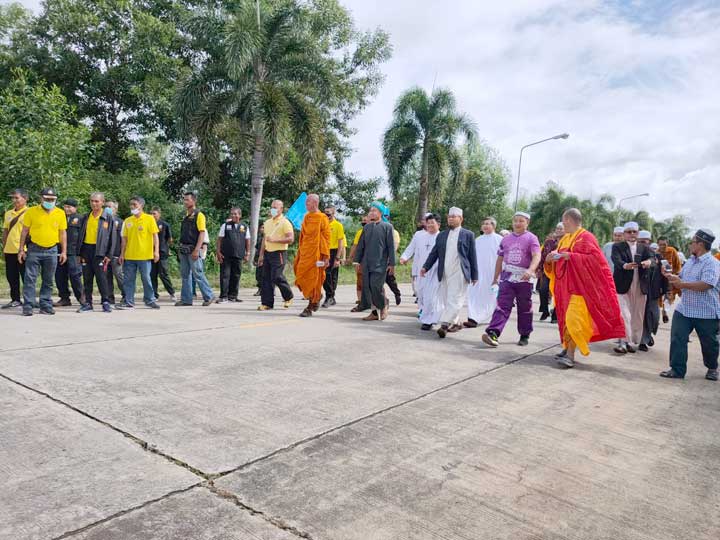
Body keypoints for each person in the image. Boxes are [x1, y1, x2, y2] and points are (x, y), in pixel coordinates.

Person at [544, 208, 625, 368]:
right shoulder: (565, 239)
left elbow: (596, 260)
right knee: (565, 320)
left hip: (580, 288)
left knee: (573, 320)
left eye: (564, 221)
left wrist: (571, 256)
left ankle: (570, 356)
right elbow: (558, 261)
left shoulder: (586, 237)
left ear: (568, 220)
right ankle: (567, 348)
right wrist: (549, 260)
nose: (562, 225)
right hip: (564, 287)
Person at [660, 229, 720, 381]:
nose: (690, 245)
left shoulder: (712, 263)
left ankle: (712, 368)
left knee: (709, 344)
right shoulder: (690, 262)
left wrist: (682, 284)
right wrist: (670, 276)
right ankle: (677, 370)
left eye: (692, 242)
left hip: (706, 312)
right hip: (684, 310)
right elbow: (680, 277)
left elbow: (707, 284)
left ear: (700, 244)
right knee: (678, 338)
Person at [482, 211, 541, 347]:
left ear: (527, 223)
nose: (517, 223)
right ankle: (493, 333)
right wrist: (495, 277)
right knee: (502, 306)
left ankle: (525, 334)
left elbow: (536, 256)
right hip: (507, 277)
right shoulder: (506, 239)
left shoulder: (532, 238)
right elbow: (500, 259)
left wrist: (530, 270)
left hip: (524, 278)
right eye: (515, 221)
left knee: (524, 307)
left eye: (521, 221)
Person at [421, 207, 478, 338]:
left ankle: (445, 325)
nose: (451, 219)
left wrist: (474, 275)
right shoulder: (442, 235)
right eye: (449, 217)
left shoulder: (468, 234)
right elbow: (434, 253)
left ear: (461, 219)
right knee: (447, 300)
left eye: (454, 216)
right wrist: (425, 267)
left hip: (460, 272)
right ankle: (456, 323)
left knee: (456, 299)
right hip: (444, 272)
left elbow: (472, 256)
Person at [17, 188, 67, 316]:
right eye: (47, 199)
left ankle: (45, 304)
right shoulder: (31, 212)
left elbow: (62, 233)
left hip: (52, 250)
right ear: (41, 198)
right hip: (34, 249)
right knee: (30, 279)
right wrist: (21, 250)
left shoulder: (60, 213)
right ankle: (28, 305)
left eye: (52, 199)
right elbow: (24, 231)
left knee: (48, 279)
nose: (49, 202)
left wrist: (64, 252)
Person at [611, 221, 652, 354]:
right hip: (623, 285)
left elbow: (654, 259)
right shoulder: (618, 247)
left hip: (640, 285)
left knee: (637, 315)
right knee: (624, 315)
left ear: (638, 233)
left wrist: (648, 262)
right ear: (624, 234)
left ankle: (630, 341)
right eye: (629, 232)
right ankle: (623, 342)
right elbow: (616, 259)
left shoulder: (643, 248)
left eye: (634, 232)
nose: (632, 234)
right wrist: (625, 265)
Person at [353, 202, 396, 321]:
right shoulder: (367, 227)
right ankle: (374, 313)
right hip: (366, 263)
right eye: (370, 210)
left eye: (374, 210)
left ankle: (384, 305)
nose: (371, 213)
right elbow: (360, 245)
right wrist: (357, 261)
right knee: (367, 287)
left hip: (380, 264)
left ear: (380, 213)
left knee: (376, 286)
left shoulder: (387, 227)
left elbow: (391, 247)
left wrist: (392, 264)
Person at [118, 196, 160, 309]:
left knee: (146, 279)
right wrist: (122, 254)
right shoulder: (128, 220)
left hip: (144, 256)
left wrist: (156, 252)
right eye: (131, 204)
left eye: (135, 204)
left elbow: (155, 236)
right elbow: (124, 239)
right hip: (130, 256)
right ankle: (129, 301)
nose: (132, 207)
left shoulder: (149, 219)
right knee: (128, 280)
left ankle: (150, 300)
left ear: (141, 205)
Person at [77, 192, 115, 313]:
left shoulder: (108, 218)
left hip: (100, 251)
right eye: (92, 201)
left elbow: (112, 237)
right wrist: (79, 253)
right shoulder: (85, 217)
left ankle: (105, 302)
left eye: (97, 201)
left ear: (102, 202)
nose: (94, 203)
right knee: (87, 278)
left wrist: (109, 255)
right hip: (86, 250)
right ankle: (88, 303)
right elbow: (80, 236)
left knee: (101, 278)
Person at [293, 194, 330, 317]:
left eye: (308, 202)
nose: (306, 204)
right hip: (305, 252)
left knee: (314, 279)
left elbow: (326, 238)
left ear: (315, 203)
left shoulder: (322, 218)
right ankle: (316, 297)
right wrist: (300, 251)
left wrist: (326, 256)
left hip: (317, 254)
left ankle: (311, 304)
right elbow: (303, 236)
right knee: (300, 274)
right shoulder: (306, 217)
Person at [175, 192, 214, 306]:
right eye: (184, 200)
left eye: (187, 200)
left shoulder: (199, 215)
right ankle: (186, 299)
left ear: (194, 201)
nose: (185, 202)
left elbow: (202, 233)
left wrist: (197, 250)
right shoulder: (186, 216)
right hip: (184, 249)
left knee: (198, 274)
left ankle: (209, 296)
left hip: (193, 249)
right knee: (185, 275)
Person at [465, 217, 503, 328]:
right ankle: (472, 317)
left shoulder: (500, 239)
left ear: (494, 226)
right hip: (478, 272)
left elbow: (503, 257)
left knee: (490, 296)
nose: (485, 226)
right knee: (473, 294)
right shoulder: (478, 240)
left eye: (488, 223)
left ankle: (486, 316)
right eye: (484, 224)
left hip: (492, 273)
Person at [258, 200, 295, 310]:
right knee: (266, 278)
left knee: (277, 276)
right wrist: (261, 255)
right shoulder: (267, 222)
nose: (273, 209)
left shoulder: (285, 222)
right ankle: (267, 303)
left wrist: (275, 240)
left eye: (275, 207)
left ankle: (288, 297)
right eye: (272, 207)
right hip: (267, 253)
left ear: (281, 209)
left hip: (279, 253)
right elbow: (264, 239)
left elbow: (291, 239)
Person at [405, 213, 440, 330]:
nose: (429, 225)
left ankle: (428, 321)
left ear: (438, 224)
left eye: (432, 223)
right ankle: (426, 314)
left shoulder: (442, 237)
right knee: (421, 294)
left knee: (431, 296)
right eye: (428, 222)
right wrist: (404, 257)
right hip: (421, 271)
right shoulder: (420, 236)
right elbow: (411, 247)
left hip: (435, 272)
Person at [637, 230, 667, 351]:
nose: (643, 244)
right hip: (639, 291)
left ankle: (648, 335)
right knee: (642, 317)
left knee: (653, 316)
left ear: (649, 242)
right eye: (640, 242)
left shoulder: (659, 258)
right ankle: (643, 340)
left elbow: (665, 275)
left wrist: (665, 290)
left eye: (645, 242)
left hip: (654, 292)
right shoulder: (635, 256)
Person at [53, 198, 84, 307]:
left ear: (75, 208)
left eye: (69, 207)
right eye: (65, 206)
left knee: (75, 275)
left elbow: (83, 236)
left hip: (73, 252)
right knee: (59, 276)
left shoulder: (80, 219)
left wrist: (81, 253)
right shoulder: (59, 217)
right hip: (59, 250)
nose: (67, 209)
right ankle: (64, 298)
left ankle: (81, 298)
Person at [216, 207, 250, 303]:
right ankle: (224, 296)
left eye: (235, 214)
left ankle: (233, 296)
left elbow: (247, 240)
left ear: (240, 215)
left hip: (238, 255)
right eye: (232, 214)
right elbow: (219, 239)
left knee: (236, 275)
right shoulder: (225, 225)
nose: (233, 215)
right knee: (225, 275)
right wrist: (218, 252)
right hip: (226, 255)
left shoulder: (244, 226)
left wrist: (247, 253)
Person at [2, 188, 28, 309]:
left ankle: (29, 300)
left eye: (17, 198)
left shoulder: (29, 212)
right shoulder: (8, 213)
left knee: (26, 276)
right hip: (9, 250)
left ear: (25, 198)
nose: (14, 200)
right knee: (11, 276)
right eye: (13, 198)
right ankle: (15, 299)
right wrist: (4, 248)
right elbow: (5, 231)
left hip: (24, 250)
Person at [537, 222, 564, 322]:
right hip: (548, 270)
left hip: (561, 272)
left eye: (561, 229)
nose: (558, 230)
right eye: (557, 228)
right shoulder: (549, 242)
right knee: (543, 290)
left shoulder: (568, 242)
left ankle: (556, 314)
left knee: (558, 292)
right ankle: (545, 311)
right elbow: (542, 255)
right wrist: (539, 269)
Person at [321, 206, 346, 308]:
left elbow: (341, 243)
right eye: (325, 213)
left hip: (333, 251)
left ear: (333, 213)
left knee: (330, 274)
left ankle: (329, 297)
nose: (326, 215)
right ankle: (331, 296)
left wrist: (338, 258)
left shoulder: (338, 225)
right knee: (325, 274)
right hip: (323, 251)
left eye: (329, 213)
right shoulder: (322, 224)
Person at [150, 207, 176, 303]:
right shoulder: (148, 224)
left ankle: (172, 293)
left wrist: (167, 248)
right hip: (151, 253)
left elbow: (170, 239)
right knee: (152, 275)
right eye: (151, 213)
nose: (152, 215)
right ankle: (154, 295)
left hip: (162, 252)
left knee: (163, 274)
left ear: (159, 214)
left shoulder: (165, 225)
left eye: (154, 213)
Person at [401, 214, 429, 301]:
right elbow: (411, 247)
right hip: (418, 264)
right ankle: (420, 300)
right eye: (424, 219)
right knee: (417, 286)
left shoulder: (438, 235)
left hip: (432, 266)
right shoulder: (418, 234)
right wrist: (404, 257)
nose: (425, 221)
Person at [657, 236, 683, 323]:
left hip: (670, 278)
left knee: (668, 296)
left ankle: (665, 312)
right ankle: (659, 311)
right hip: (660, 279)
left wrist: (676, 275)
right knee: (659, 296)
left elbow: (678, 264)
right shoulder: (656, 253)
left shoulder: (672, 251)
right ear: (658, 244)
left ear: (667, 244)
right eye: (660, 245)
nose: (662, 246)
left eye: (664, 244)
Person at [104, 201, 125, 305]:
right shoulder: (102, 220)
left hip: (116, 254)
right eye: (106, 206)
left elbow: (123, 239)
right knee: (106, 277)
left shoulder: (120, 222)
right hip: (104, 254)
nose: (107, 208)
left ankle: (126, 295)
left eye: (110, 206)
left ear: (115, 209)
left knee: (119, 275)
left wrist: (122, 254)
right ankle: (109, 297)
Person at [349, 215, 369, 305]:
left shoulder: (375, 231)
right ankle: (360, 300)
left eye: (365, 220)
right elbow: (355, 245)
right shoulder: (359, 232)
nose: (363, 222)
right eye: (362, 220)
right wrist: (351, 257)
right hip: (361, 259)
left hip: (371, 259)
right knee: (360, 280)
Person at [385, 218, 403, 306]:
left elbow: (394, 247)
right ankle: (383, 300)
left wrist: (389, 262)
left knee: (390, 280)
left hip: (388, 260)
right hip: (377, 260)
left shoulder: (393, 232)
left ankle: (397, 294)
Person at [253, 223, 264, 296]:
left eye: (263, 228)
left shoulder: (268, 237)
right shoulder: (259, 238)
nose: (262, 229)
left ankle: (271, 290)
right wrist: (255, 259)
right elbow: (257, 249)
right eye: (261, 228)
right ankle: (260, 289)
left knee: (266, 275)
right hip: (258, 258)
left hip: (266, 259)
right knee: (258, 275)